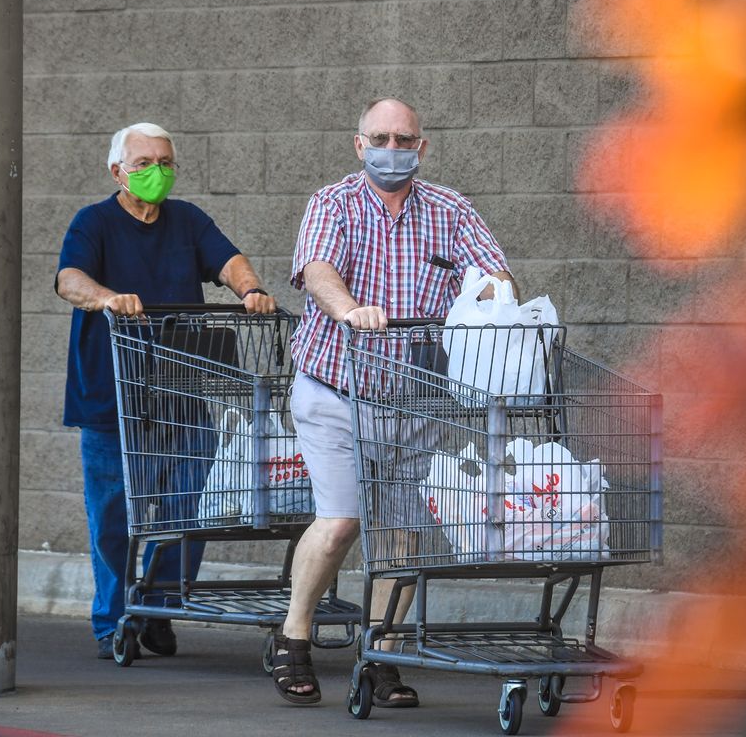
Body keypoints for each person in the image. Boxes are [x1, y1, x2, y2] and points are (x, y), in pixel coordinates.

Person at [274, 98, 516, 705]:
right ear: (359, 146)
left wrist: (488, 293)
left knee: (402, 534)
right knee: (342, 520)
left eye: (403, 139)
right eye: (379, 137)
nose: (392, 148)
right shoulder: (334, 203)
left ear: (421, 148)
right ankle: (293, 634)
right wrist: (347, 307)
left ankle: (379, 650)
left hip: (410, 400)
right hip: (335, 384)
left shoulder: (450, 210)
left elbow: (495, 275)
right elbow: (318, 267)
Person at [55, 122, 276, 659]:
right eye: (145, 163)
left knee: (188, 510)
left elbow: (227, 259)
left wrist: (251, 289)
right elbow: (69, 279)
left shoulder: (187, 220)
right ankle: (113, 621)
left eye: (166, 162)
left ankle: (158, 604)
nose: (158, 172)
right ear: (118, 171)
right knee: (113, 516)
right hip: (112, 397)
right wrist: (107, 297)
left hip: (180, 393)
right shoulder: (94, 222)